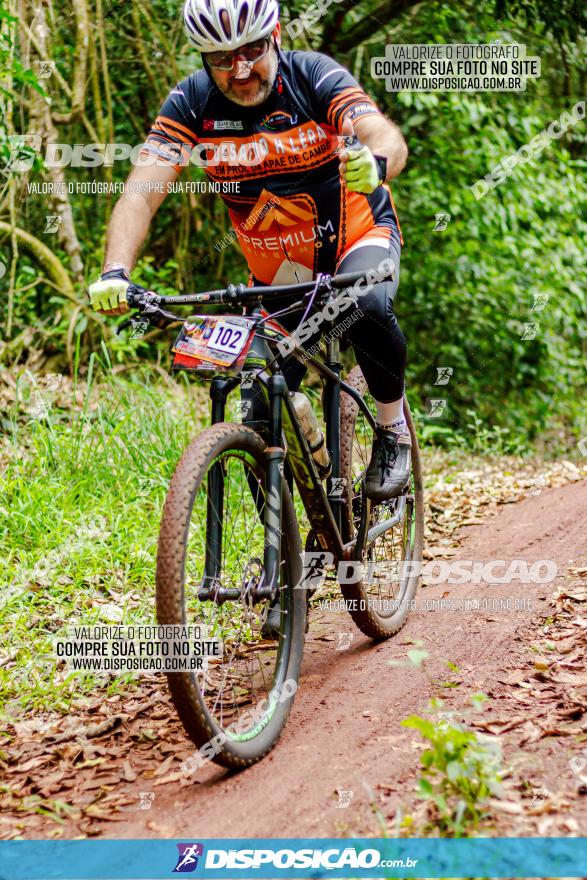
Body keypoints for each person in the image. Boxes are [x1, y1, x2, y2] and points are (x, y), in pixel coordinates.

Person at [89, 0, 410, 502]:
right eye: (220, 58)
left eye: (252, 50)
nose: (240, 70)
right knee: (256, 400)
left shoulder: (312, 76)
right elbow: (141, 191)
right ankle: (300, 533)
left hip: (356, 237)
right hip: (280, 272)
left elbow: (380, 131)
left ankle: (393, 433)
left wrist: (377, 159)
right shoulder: (191, 104)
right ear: (202, 57)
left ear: (275, 35)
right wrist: (115, 270)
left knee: (367, 304)